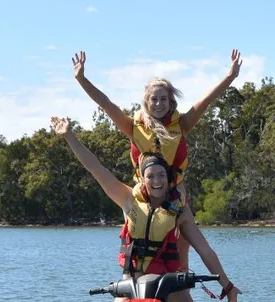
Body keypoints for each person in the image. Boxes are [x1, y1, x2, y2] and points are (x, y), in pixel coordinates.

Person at [50, 116, 240, 302]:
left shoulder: (179, 211)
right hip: (130, 284)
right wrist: (69, 136)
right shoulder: (128, 199)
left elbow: (205, 250)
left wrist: (227, 285)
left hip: (169, 285)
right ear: (142, 178)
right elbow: (95, 168)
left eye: (161, 175)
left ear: (169, 178)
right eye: (151, 176)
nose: (156, 181)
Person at [71, 49, 243, 273]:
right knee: (137, 236)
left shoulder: (182, 124)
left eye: (163, 99)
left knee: (181, 254)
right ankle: (131, 280)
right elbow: (106, 103)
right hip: (143, 193)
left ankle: (181, 282)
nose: (159, 104)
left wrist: (230, 76)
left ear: (171, 102)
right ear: (146, 101)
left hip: (174, 192)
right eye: (154, 99)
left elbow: (207, 100)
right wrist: (82, 79)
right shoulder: (133, 126)